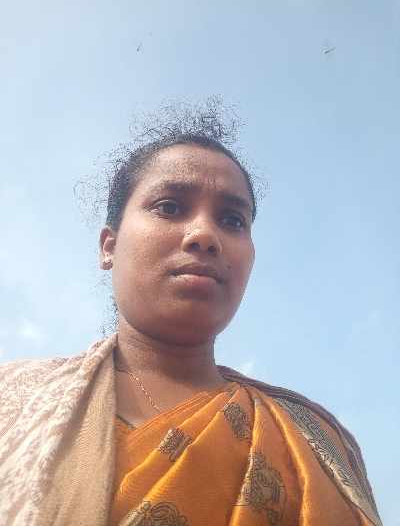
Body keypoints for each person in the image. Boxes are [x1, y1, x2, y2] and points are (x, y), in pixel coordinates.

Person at [0, 102, 382, 526]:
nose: (205, 235)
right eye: (169, 207)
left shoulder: (312, 441)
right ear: (109, 246)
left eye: (232, 220)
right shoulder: (14, 401)